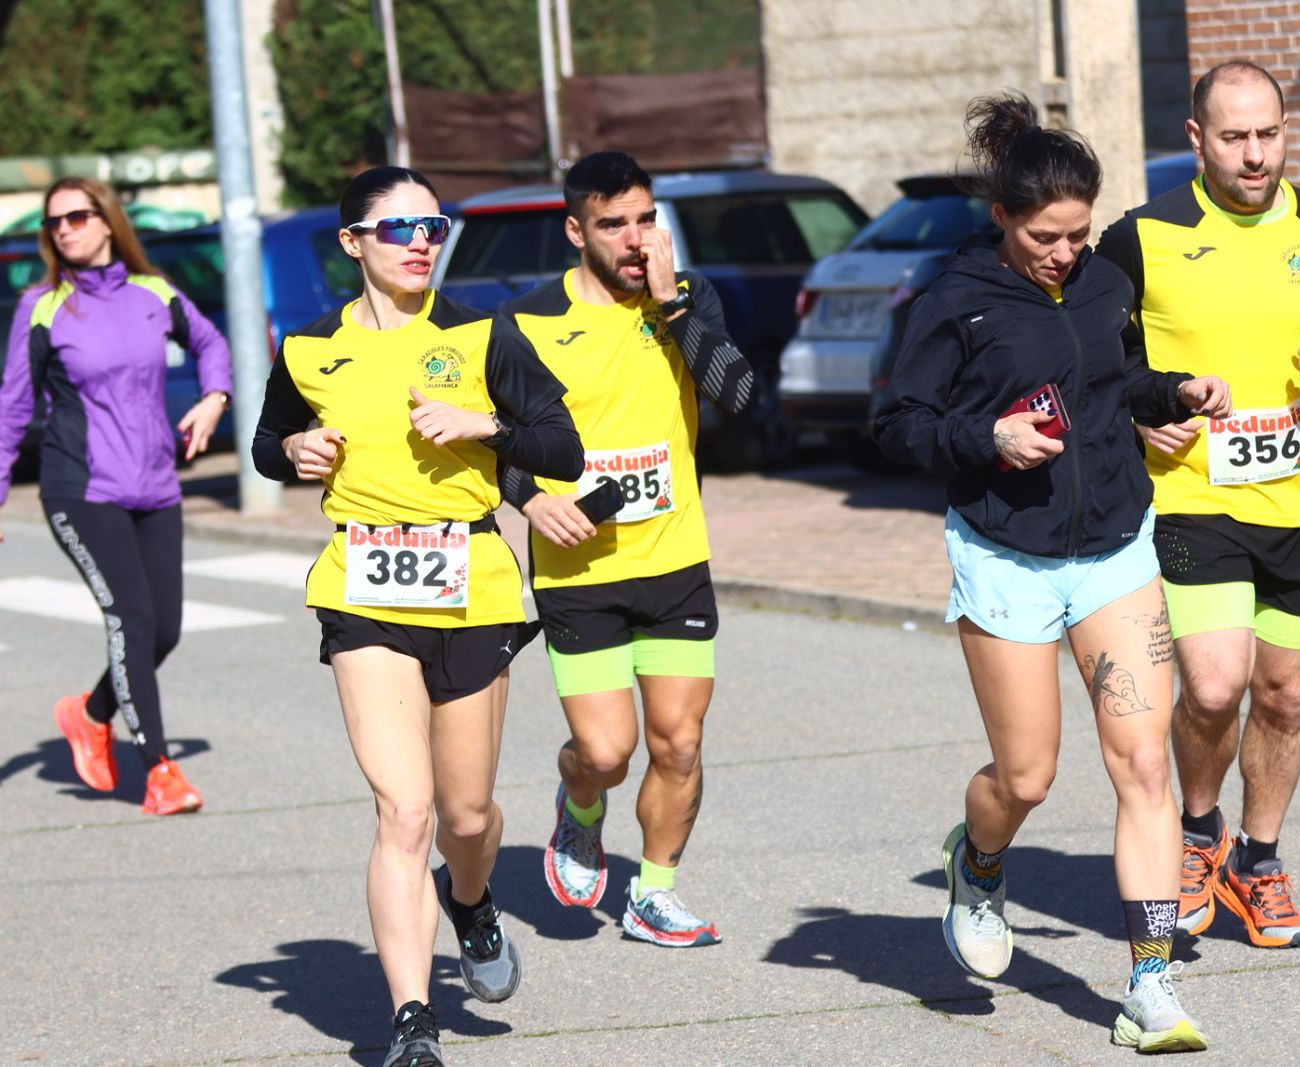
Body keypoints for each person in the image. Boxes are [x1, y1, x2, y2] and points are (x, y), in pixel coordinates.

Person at [873, 94, 1232, 1054]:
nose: (1066, 251)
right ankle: (980, 860)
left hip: (1114, 548)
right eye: (1046, 235)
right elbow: (896, 423)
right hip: (1006, 556)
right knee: (1027, 774)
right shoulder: (956, 297)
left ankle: (1150, 983)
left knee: (1144, 764)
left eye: (1078, 233)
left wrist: (1175, 390)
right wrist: (984, 436)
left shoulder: (1106, 281)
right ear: (1002, 216)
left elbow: (1115, 378)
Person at [251, 166, 583, 1067]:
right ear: (353, 242)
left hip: (469, 583)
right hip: (362, 586)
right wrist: (291, 447)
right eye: (398, 229)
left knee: (466, 816)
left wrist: (486, 428)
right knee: (405, 808)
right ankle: (411, 1019)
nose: (420, 242)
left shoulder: (483, 332)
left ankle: (470, 902)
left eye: (432, 226)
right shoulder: (310, 347)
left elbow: (562, 444)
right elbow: (268, 443)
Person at [1097, 61, 1300, 951]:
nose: (1255, 154)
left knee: (1286, 693)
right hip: (1195, 499)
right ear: (1196, 139)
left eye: (1268, 133)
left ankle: (1257, 859)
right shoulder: (1142, 238)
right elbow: (1093, 363)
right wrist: (1137, 417)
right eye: (1234, 137)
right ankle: (1199, 835)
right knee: (1215, 684)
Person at [496, 150, 752, 948]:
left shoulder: (683, 299)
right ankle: (580, 807)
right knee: (607, 751)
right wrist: (532, 497)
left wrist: (674, 305)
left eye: (647, 218)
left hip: (675, 560)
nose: (636, 238)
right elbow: (493, 441)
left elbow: (739, 396)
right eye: (615, 224)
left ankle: (655, 889)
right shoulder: (525, 320)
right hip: (579, 570)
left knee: (679, 741)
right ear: (577, 230)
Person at [0, 177, 231, 815]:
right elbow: (13, 406)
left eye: (78, 216)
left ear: (107, 221)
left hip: (155, 486)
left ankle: (90, 711)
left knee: (165, 631)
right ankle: (158, 770)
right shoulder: (43, 307)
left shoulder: (154, 293)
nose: (66, 229)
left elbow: (210, 343)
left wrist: (214, 397)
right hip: (81, 488)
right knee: (131, 616)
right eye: (54, 223)